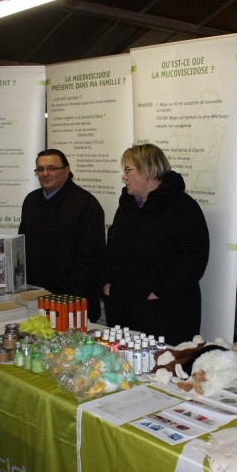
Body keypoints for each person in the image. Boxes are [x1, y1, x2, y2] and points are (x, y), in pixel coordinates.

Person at [101, 144, 210, 345]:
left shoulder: (182, 207)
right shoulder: (127, 206)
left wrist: (158, 292)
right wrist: (108, 285)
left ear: (150, 171)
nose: (124, 177)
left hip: (165, 314)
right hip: (124, 310)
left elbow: (193, 259)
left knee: (162, 363)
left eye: (128, 170)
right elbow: (113, 249)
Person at [18, 149, 105, 322]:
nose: (45, 174)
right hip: (35, 300)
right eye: (40, 169)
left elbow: (90, 258)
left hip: (72, 304)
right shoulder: (31, 201)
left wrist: (66, 298)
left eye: (51, 168)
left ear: (66, 171)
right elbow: (22, 244)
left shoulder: (86, 204)